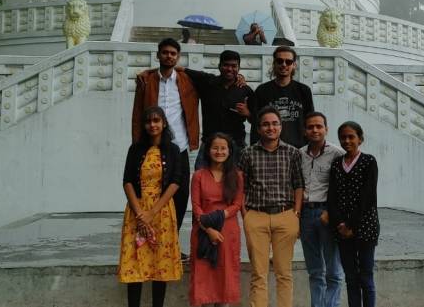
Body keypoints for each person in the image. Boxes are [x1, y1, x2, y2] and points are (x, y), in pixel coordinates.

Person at [133, 38, 199, 257]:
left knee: (180, 197)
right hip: (152, 146)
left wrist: (240, 77)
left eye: (173, 53)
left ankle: (172, 245)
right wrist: (137, 145)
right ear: (158, 55)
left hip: (178, 147)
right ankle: (151, 243)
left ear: (178, 57)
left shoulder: (187, 80)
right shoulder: (146, 80)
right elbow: (137, 114)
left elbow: (214, 80)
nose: (169, 56)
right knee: (151, 195)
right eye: (165, 52)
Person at [119, 106, 186, 307]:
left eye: (156, 121)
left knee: (160, 263)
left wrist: (152, 212)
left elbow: (175, 182)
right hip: (136, 212)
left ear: (164, 123)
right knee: (135, 262)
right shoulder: (135, 149)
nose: (152, 125)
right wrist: (140, 213)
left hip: (162, 211)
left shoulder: (173, 150)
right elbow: (127, 181)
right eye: (148, 121)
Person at [239, 107, 305, 307]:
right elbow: (241, 186)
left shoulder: (292, 153)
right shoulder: (248, 153)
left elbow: (298, 185)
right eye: (266, 124)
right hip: (256, 216)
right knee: (259, 273)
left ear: (281, 127)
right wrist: (245, 214)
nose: (271, 128)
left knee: (284, 273)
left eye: (275, 123)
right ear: (259, 128)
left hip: (285, 215)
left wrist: (296, 213)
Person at [189, 133, 245, 307]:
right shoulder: (198, 176)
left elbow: (237, 204)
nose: (219, 152)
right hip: (203, 230)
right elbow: (196, 206)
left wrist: (219, 217)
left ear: (229, 151)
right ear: (208, 150)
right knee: (204, 279)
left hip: (227, 232)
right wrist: (208, 229)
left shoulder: (236, 176)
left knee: (225, 277)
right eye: (215, 148)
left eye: (223, 148)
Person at [327, 121, 379, 307]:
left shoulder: (368, 162)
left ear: (360, 139)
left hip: (365, 227)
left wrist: (351, 225)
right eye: (343, 137)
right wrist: (340, 224)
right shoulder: (336, 164)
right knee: (350, 278)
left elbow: (368, 197)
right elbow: (332, 197)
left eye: (351, 137)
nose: (347, 141)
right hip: (342, 229)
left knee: (366, 276)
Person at [298, 112, 344, 307]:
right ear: (305, 131)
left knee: (333, 271)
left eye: (319, 126)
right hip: (306, 214)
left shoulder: (337, 154)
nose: (315, 130)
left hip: (327, 213)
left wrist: (333, 213)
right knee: (315, 270)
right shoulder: (299, 154)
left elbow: (343, 189)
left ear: (326, 129)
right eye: (310, 127)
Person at [188, 50, 254, 171]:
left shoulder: (245, 90)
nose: (229, 69)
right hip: (209, 143)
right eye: (226, 65)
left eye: (234, 66)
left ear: (239, 68)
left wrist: (248, 113)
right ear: (219, 66)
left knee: (235, 180)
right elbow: (180, 70)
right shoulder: (207, 82)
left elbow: (256, 119)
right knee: (201, 177)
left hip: (235, 145)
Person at [250, 46, 314, 148]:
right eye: (280, 61)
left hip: (299, 149)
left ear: (294, 65)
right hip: (269, 149)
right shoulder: (262, 91)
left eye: (288, 62)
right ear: (274, 63)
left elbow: (311, 122)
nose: (284, 64)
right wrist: (255, 148)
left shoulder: (304, 91)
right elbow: (256, 124)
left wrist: (310, 148)